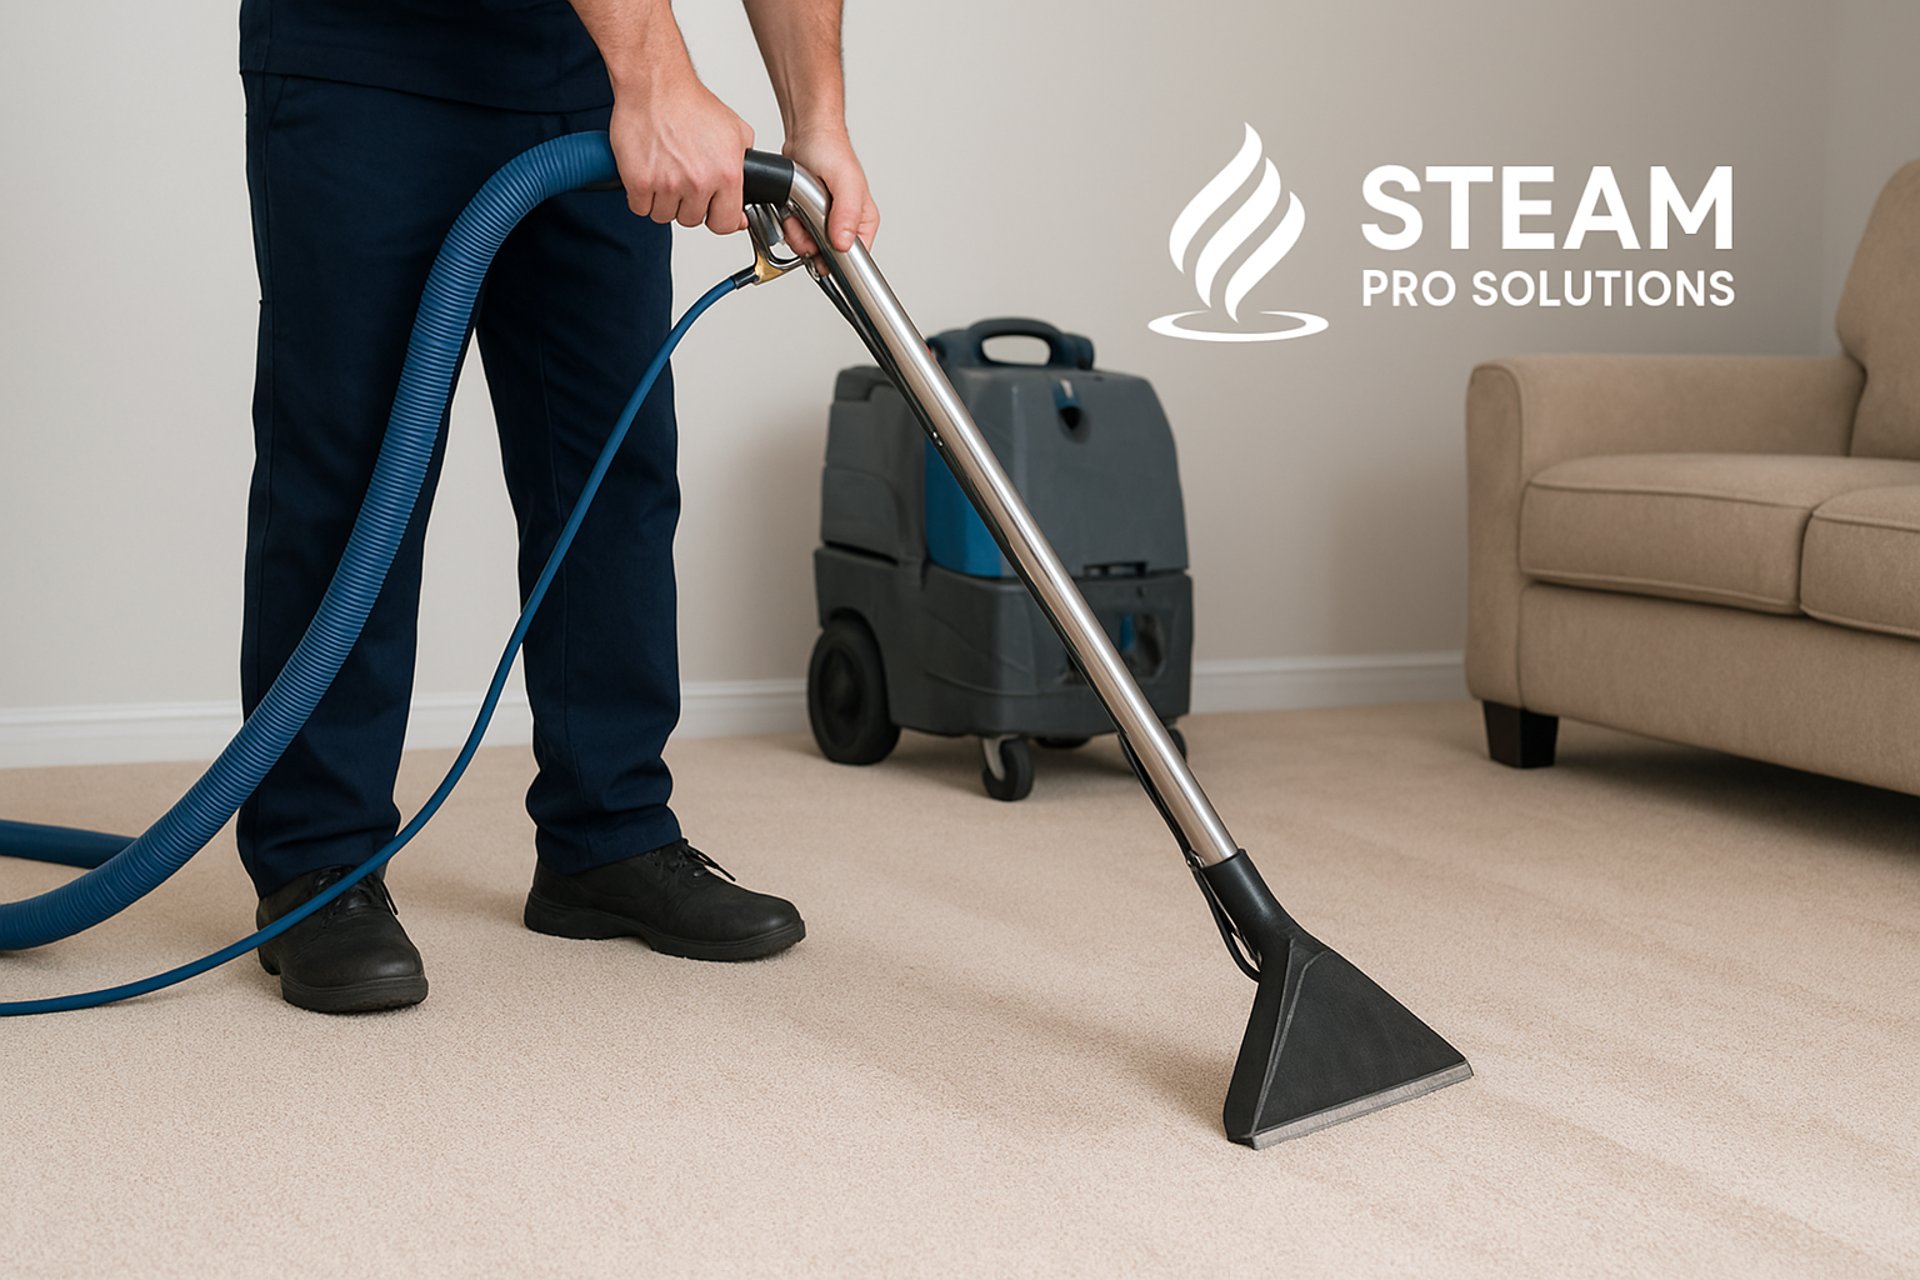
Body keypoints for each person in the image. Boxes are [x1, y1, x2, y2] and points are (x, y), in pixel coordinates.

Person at [236, 0, 878, 1013]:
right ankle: (317, 866)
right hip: (363, 55)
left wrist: (819, 121)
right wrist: (654, 77)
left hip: (575, 68)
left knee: (611, 457)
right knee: (354, 470)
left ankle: (608, 835)